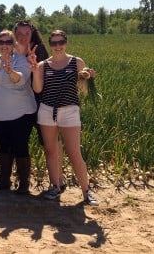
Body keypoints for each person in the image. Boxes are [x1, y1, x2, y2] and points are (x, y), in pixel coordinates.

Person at [29, 29, 98, 205]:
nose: (57, 46)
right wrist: (35, 70)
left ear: (66, 43)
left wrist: (88, 78)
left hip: (69, 111)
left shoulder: (77, 62)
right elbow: (37, 89)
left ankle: (86, 191)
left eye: (61, 42)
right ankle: (55, 187)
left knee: (75, 153)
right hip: (47, 110)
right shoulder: (44, 65)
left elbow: (84, 90)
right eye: (54, 43)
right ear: (50, 45)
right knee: (51, 151)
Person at [15, 19, 67, 191]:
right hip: (20, 105)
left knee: (49, 143)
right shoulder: (11, 51)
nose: (23, 37)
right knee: (20, 142)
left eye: (26, 33)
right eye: (19, 34)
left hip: (41, 103)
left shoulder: (40, 50)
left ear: (32, 34)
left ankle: (59, 178)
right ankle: (23, 181)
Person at [0, 30, 36, 194]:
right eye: (1, 42)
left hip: (21, 112)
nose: (4, 45)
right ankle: (5, 180)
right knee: (4, 146)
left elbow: (21, 79)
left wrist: (10, 72)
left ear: (13, 44)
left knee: (20, 146)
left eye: (8, 42)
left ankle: (23, 184)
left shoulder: (21, 60)